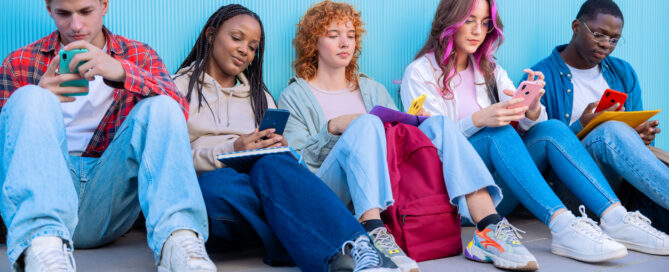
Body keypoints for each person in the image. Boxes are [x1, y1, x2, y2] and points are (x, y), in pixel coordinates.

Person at [400, 0, 669, 263]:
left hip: (501, 189)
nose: (477, 31)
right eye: (469, 20)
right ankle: (563, 226)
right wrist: (479, 119)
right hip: (462, 197)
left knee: (550, 127)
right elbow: (432, 150)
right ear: (449, 22)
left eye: (484, 23)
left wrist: (532, 109)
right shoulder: (419, 73)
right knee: (498, 133)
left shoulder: (489, 69)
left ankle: (616, 218)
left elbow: (533, 129)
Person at [280, 1, 539, 271]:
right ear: (313, 42)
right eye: (334, 36)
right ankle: (372, 233)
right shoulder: (295, 96)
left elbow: (401, 147)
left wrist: (417, 123)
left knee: (439, 124)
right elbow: (296, 168)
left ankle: (489, 227)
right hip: (328, 194)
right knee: (368, 125)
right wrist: (333, 127)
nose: (345, 43)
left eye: (351, 35)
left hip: (388, 194)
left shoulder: (373, 89)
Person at [173, 4, 400, 272]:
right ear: (211, 34)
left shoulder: (260, 97)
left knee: (274, 163)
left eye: (254, 47)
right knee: (218, 186)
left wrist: (282, 149)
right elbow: (171, 163)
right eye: (236, 38)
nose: (245, 50)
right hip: (218, 186)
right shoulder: (177, 90)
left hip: (263, 182)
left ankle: (358, 247)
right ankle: (303, 240)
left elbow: (287, 171)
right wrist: (232, 149)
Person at [0, 0, 215, 271]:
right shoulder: (20, 62)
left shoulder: (139, 55)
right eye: (64, 14)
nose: (76, 25)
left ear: (104, 5)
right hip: (43, 196)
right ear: (48, 9)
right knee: (29, 98)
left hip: (109, 198)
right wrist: (35, 103)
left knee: (161, 104)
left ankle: (180, 241)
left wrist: (123, 72)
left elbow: (177, 114)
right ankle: (43, 248)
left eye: (85, 11)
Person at [528, 0, 669, 231]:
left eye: (614, 39)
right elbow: (541, 148)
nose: (606, 45)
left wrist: (642, 135)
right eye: (599, 35)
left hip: (624, 189)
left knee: (615, 131)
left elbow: (638, 151)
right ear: (576, 27)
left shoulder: (623, 73)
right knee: (609, 131)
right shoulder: (542, 76)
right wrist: (581, 126)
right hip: (569, 189)